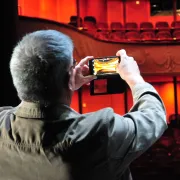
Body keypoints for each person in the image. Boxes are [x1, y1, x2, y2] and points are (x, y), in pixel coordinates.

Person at [0, 30, 167, 180]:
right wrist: (134, 77)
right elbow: (154, 116)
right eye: (73, 63)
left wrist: (68, 82)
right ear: (68, 76)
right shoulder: (99, 132)